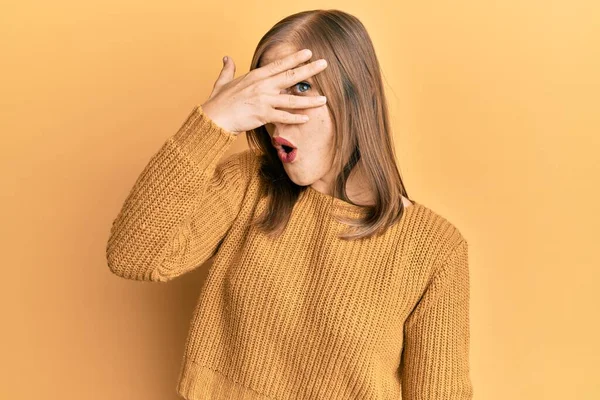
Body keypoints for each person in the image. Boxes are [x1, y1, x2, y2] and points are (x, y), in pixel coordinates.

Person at [105, 9, 473, 400]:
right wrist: (213, 121)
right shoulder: (248, 184)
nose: (275, 113)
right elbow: (134, 256)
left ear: (356, 96)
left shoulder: (434, 248)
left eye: (299, 88)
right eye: (267, 90)